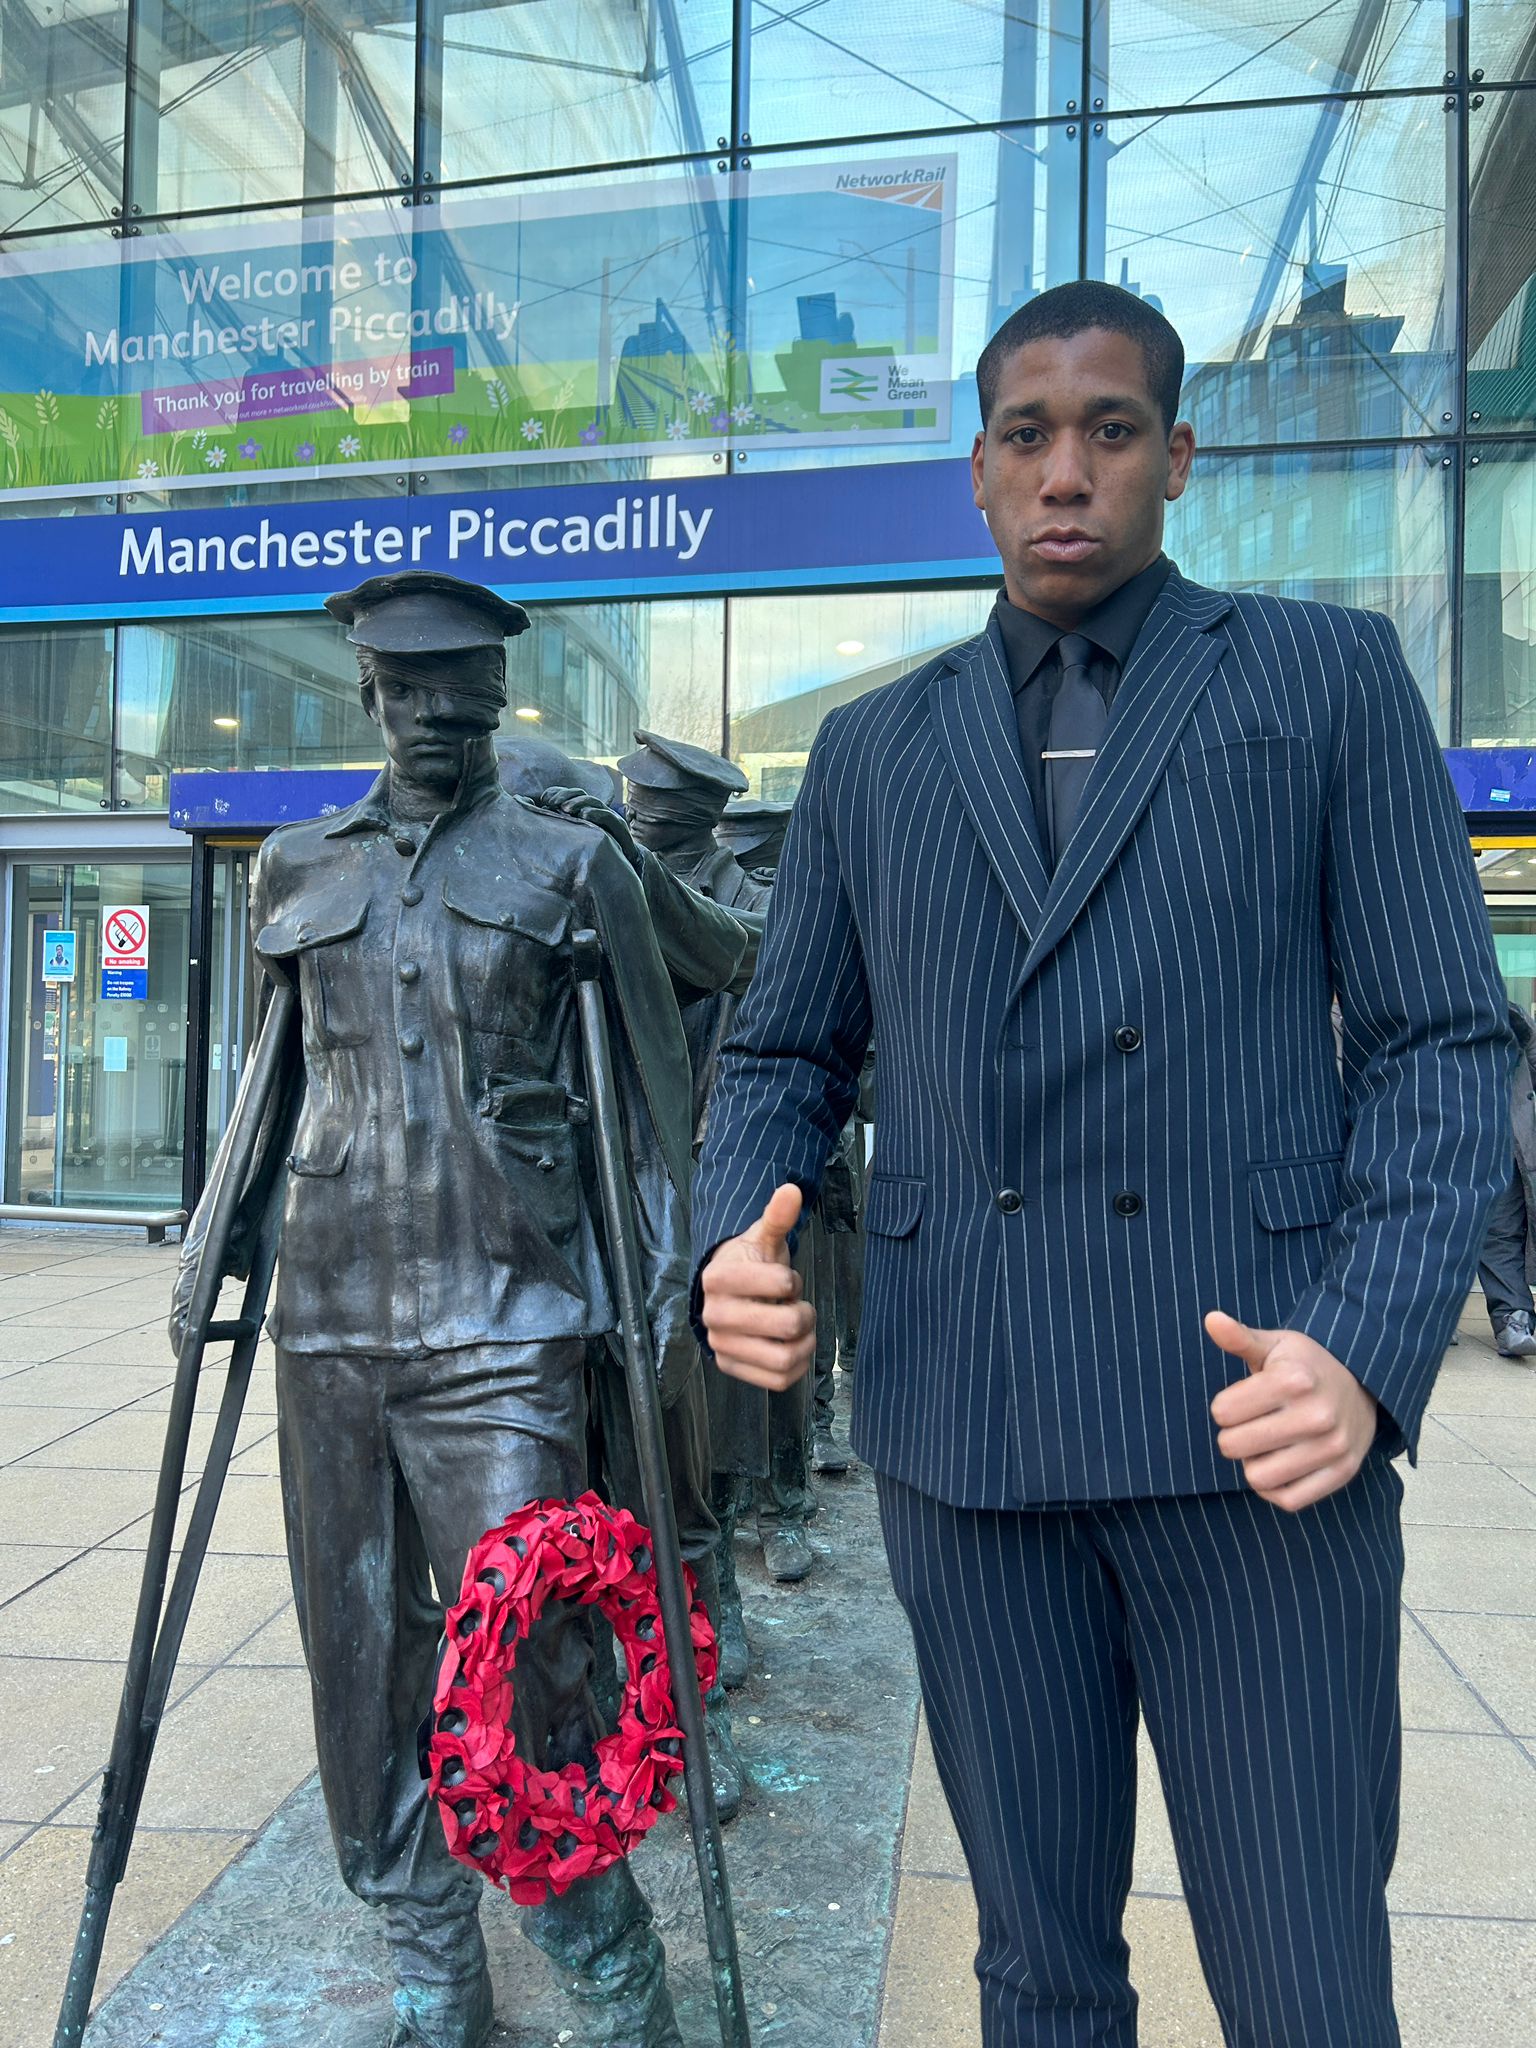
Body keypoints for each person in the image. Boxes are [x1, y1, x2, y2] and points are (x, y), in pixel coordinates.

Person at [692, 281, 1513, 2047]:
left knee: (1306, 1981)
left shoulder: (1322, 677)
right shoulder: (872, 750)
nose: (1067, 470)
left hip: (1256, 1426)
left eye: (1110, 429)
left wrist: (1365, 1346)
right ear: (979, 473)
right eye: (1027, 434)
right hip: (968, 1435)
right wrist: (728, 1240)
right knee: (1041, 1975)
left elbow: (1445, 1037)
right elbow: (779, 1051)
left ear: (1178, 456)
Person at [173, 573, 693, 2048]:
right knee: (361, 1659)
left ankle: (603, 1958)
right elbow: (270, 1080)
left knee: (533, 1660)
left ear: (498, 704)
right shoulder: (294, 867)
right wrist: (212, 1242)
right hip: (332, 1314)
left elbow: (655, 1103)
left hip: (512, 1310)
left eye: (466, 703)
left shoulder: (569, 865)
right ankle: (432, 1968)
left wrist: (666, 1282)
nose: (437, 724)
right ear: (370, 697)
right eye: (411, 698)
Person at [1476, 1000, 1536, 1358]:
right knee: (1429, 1229)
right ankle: (1431, 1318)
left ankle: (1513, 1318)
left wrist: (1524, 1033)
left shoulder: (1510, 1013)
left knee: (1502, 1230)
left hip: (1502, 1140)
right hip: (1438, 1140)